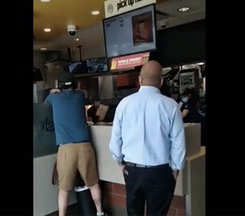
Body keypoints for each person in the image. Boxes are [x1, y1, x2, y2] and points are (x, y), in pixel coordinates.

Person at [109, 60, 186, 216]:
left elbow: (115, 140)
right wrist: (175, 169)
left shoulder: (124, 104)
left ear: (140, 79)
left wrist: (120, 162)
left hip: (132, 171)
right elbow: (178, 142)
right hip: (161, 172)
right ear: (162, 81)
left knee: (134, 213)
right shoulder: (171, 105)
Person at [45, 72, 107, 216]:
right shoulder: (79, 97)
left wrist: (55, 92)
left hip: (66, 148)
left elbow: (45, 103)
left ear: (59, 86)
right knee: (93, 183)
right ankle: (99, 212)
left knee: (64, 188)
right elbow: (87, 98)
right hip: (85, 146)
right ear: (74, 85)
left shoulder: (53, 98)